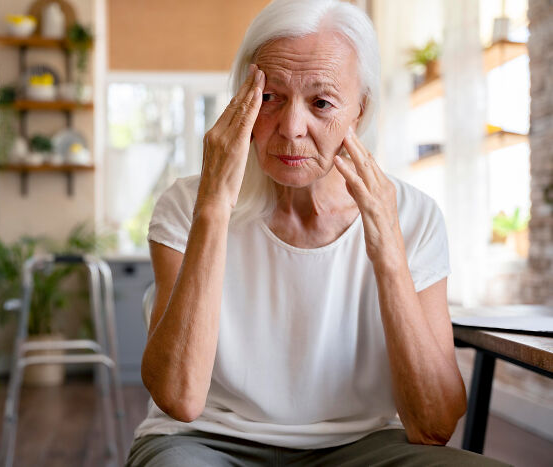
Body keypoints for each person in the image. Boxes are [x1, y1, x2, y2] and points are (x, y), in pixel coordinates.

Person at [126, 0, 509, 465]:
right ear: (241, 99)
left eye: (322, 102)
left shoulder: (414, 216)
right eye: (270, 97)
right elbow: (179, 398)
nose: (291, 129)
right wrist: (213, 208)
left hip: (362, 446)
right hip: (203, 439)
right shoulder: (188, 204)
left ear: (360, 111)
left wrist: (387, 245)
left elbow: (434, 424)